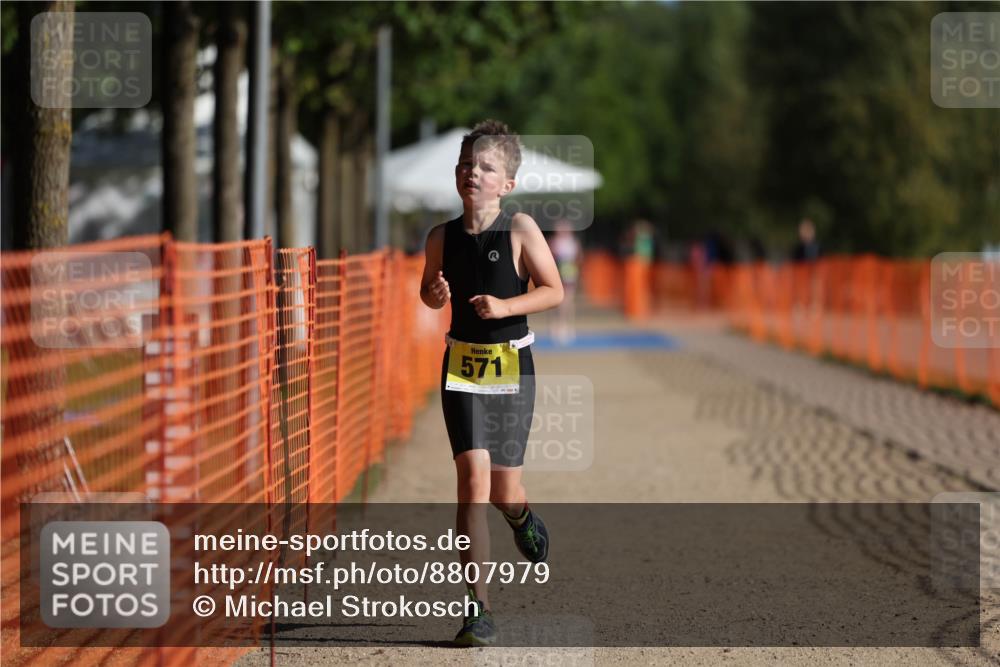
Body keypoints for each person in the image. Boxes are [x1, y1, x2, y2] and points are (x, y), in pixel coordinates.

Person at [419, 120, 564, 646]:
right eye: (466, 164)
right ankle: (477, 609)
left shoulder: (521, 229)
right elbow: (430, 296)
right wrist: (435, 293)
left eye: (485, 167)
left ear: (506, 183)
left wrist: (507, 305)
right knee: (472, 487)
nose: (472, 173)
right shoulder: (440, 237)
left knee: (503, 490)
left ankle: (521, 515)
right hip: (461, 369)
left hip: (510, 369)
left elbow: (553, 291)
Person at [548, 220, 581, 343]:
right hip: (557, 271)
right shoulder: (553, 242)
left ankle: (568, 326)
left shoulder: (573, 242)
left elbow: (577, 258)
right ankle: (555, 325)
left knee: (568, 300)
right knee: (556, 300)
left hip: (569, 272)